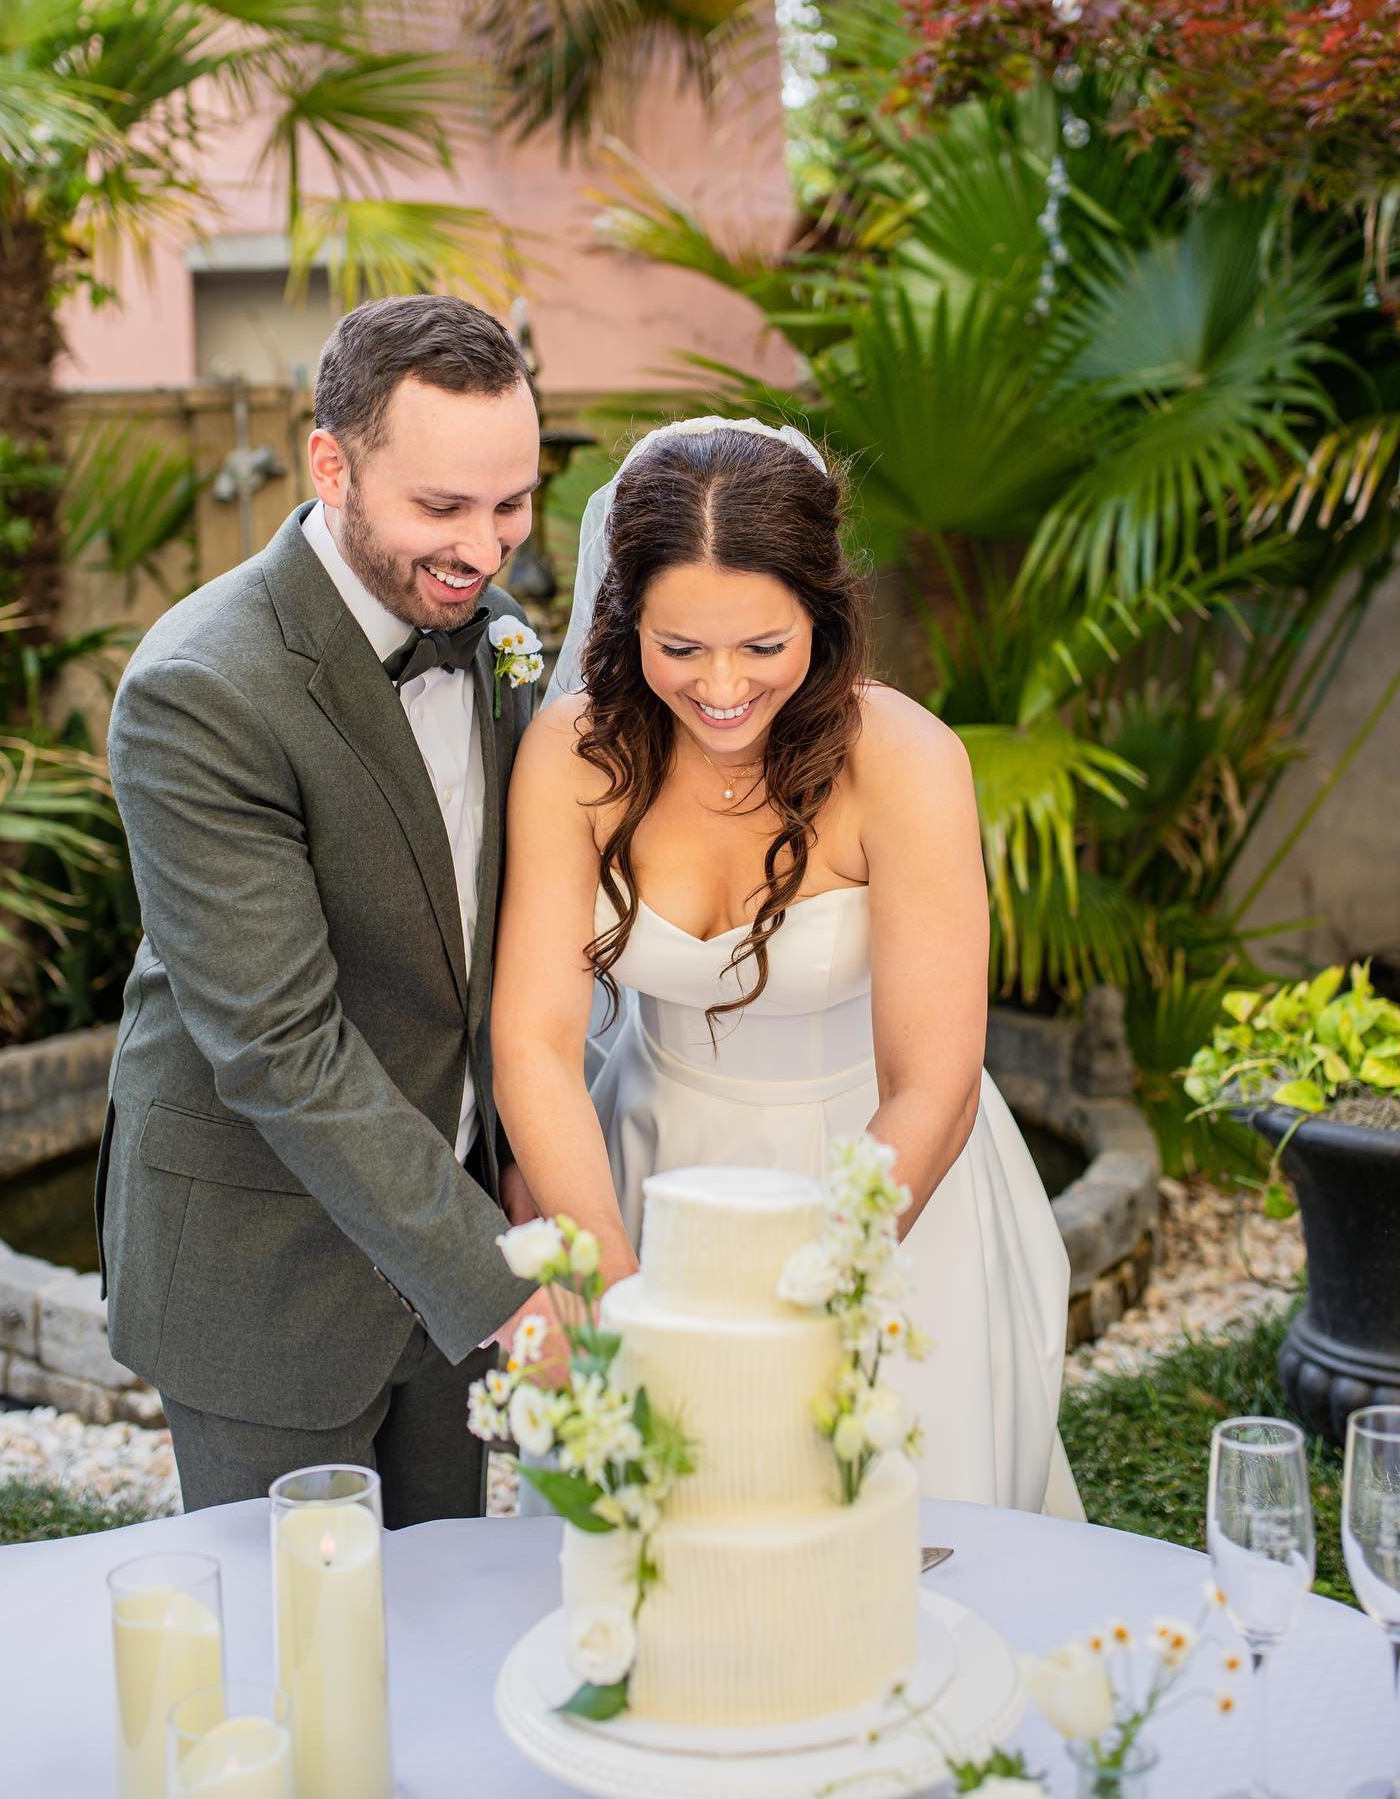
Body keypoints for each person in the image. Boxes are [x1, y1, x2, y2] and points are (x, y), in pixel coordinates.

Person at [491, 418, 1083, 1516]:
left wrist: (821, 1281)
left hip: (882, 1181)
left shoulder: (904, 761)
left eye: (764, 647)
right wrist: (606, 1275)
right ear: (624, 622)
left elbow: (934, 1079)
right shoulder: (573, 758)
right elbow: (532, 1041)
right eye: (681, 649)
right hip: (650, 1170)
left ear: (823, 612)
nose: (721, 688)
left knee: (879, 1542)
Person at [98, 295, 551, 1524]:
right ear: (331, 464)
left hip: (449, 1242)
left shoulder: (499, 638)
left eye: (512, 503)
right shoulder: (201, 688)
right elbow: (280, 1048)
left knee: (444, 1625)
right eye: (442, 508)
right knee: (291, 1657)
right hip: (267, 1268)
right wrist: (503, 1288)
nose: (485, 549)